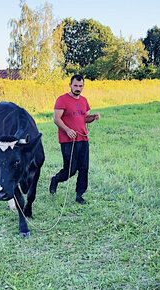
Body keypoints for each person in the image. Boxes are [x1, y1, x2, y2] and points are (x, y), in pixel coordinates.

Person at [49, 74, 100, 204]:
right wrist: (67, 130)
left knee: (84, 168)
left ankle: (79, 195)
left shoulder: (84, 100)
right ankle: (55, 180)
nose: (78, 88)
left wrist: (93, 117)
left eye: (80, 86)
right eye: (76, 85)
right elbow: (56, 119)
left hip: (83, 139)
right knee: (70, 170)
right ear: (70, 85)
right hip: (68, 140)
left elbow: (85, 118)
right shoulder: (62, 99)